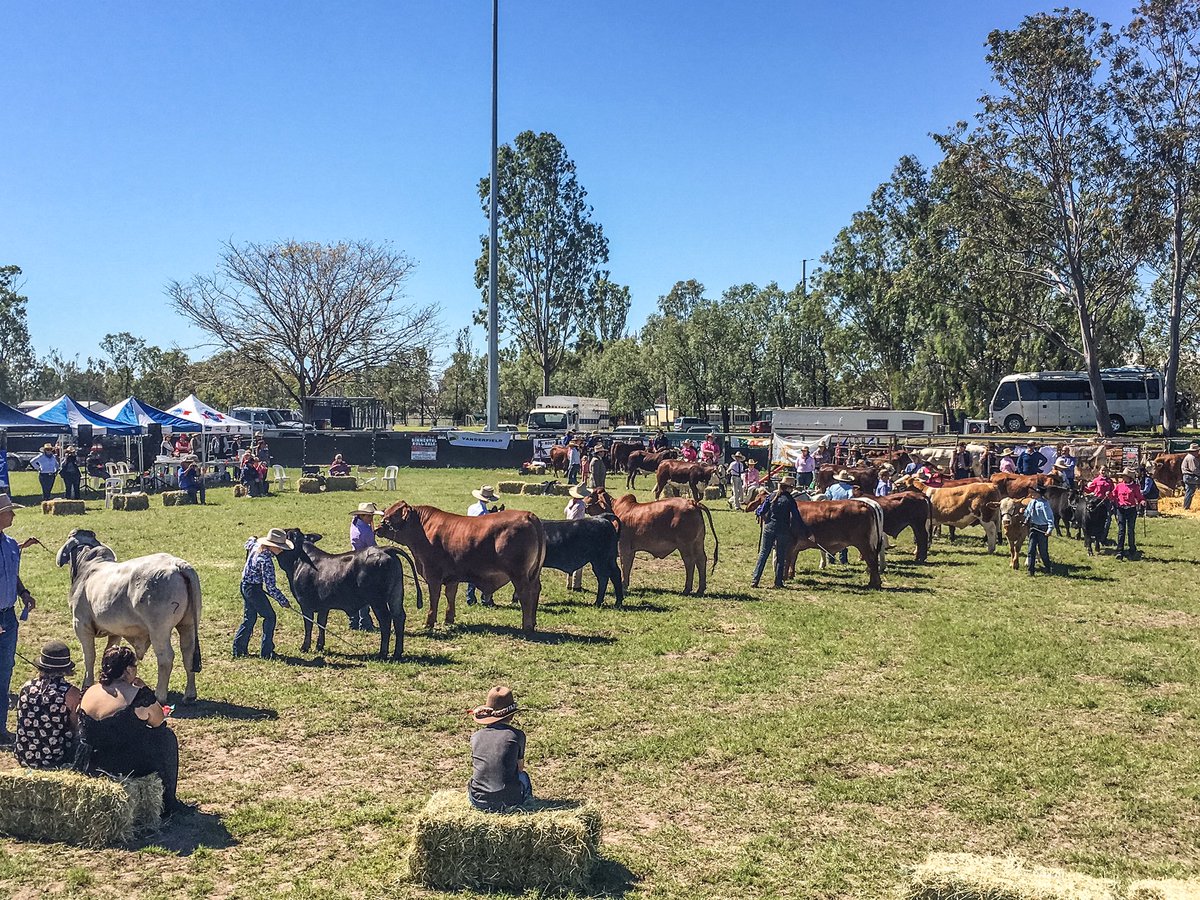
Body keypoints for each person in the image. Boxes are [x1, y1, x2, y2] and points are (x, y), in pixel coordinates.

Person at [76, 646, 187, 817]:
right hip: (124, 764)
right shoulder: (137, 696)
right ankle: (169, 802)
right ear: (128, 670)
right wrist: (146, 690)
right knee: (166, 737)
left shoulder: (89, 691)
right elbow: (158, 722)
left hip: (90, 761)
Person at [0, 493, 37, 744]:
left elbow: (12, 574)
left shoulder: (11, 544)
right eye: (10, 511)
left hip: (8, 617)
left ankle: (0, 728)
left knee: (5, 672)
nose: (13, 514)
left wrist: (23, 592)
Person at [14, 641, 81, 769]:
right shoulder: (71, 694)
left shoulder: (26, 687)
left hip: (25, 756)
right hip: (54, 758)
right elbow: (76, 727)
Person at [468, 685, 532, 811]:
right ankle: (526, 805)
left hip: (478, 800)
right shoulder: (517, 735)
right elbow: (519, 768)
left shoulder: (475, 737)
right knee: (524, 776)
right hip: (509, 799)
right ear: (511, 716)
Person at [233, 528, 294, 659]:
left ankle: (239, 649)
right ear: (272, 546)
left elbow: (249, 542)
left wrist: (252, 538)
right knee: (270, 617)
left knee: (249, 618)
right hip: (254, 590)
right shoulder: (266, 561)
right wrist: (283, 601)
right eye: (280, 547)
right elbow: (271, 587)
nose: (281, 550)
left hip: (245, 585)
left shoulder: (255, 546)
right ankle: (266, 652)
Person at [752, 476, 806, 588]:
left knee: (763, 553)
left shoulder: (771, 496)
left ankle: (755, 580)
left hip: (769, 528)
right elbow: (796, 516)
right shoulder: (790, 500)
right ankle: (778, 582)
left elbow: (762, 510)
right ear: (789, 488)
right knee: (781, 556)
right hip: (783, 530)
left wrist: (757, 512)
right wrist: (804, 529)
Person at [347, 503, 383, 630]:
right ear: (361, 515)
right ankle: (365, 623)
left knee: (355, 593)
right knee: (365, 595)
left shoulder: (355, 524)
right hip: (365, 562)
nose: (371, 519)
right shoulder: (366, 531)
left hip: (354, 559)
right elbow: (373, 547)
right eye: (368, 516)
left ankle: (354, 622)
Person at [466, 487, 500, 607]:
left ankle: (470, 596)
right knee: (484, 571)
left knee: (471, 569)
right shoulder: (484, 513)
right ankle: (486, 597)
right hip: (481, 542)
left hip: (469, 539)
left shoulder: (472, 508)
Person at [1113, 468, 1145, 561]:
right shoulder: (1119, 486)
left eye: (1124, 476)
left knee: (1130, 530)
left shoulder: (1135, 487)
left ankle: (1132, 548)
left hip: (1131, 510)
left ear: (1129, 477)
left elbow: (1139, 497)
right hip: (1121, 509)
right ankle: (1119, 551)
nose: (1123, 477)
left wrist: (1142, 501)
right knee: (1121, 530)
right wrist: (1109, 495)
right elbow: (1113, 495)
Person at [824, 471, 856, 564]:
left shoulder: (832, 487)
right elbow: (851, 499)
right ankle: (843, 559)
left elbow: (827, 497)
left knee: (830, 536)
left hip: (831, 512)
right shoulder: (850, 489)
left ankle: (830, 557)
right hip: (843, 514)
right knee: (843, 536)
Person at [1023, 485, 1055, 576]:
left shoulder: (1044, 504)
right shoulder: (1032, 502)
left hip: (1042, 528)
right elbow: (1027, 513)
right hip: (1033, 528)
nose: (1032, 494)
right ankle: (1031, 570)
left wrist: (1049, 529)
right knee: (1031, 549)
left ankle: (1048, 567)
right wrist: (1023, 512)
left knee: (1043, 550)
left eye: (1034, 493)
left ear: (1039, 494)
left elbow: (1049, 517)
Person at [564, 484, 589, 591]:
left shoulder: (570, 502)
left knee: (569, 557)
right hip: (577, 531)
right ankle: (576, 585)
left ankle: (568, 583)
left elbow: (565, 512)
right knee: (579, 558)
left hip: (566, 529)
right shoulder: (581, 505)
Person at [1085, 466, 1116, 545]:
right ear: (1099, 471)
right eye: (1102, 470)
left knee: (1107, 520)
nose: (1103, 472)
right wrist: (1083, 487)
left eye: (1105, 470)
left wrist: (1110, 495)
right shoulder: (1096, 480)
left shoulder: (1110, 481)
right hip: (1097, 502)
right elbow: (1090, 490)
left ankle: (1103, 538)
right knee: (1096, 520)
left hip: (1106, 502)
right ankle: (1095, 536)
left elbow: (1114, 492)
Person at [1182, 443, 1200, 510]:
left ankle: (1186, 507)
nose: (1198, 452)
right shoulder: (1192, 458)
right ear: (1195, 451)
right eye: (1197, 451)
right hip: (1190, 476)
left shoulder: (1189, 457)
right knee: (1189, 491)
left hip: (1187, 476)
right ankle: (1186, 507)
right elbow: (1194, 470)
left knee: (1189, 491)